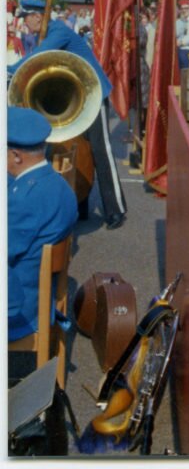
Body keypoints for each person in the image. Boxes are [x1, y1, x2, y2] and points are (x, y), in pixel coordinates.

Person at [10, 0, 127, 230]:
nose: (25, 24)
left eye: (26, 19)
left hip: (93, 95)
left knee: (100, 150)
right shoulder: (47, 33)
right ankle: (81, 204)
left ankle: (116, 209)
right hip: (77, 98)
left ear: (36, 16)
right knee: (77, 151)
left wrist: (9, 70)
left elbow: (36, 60)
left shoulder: (58, 31)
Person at [7, 107, 78, 342]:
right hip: (38, 293)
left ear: (17, 156)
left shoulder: (23, 201)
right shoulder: (57, 185)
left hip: (20, 309)